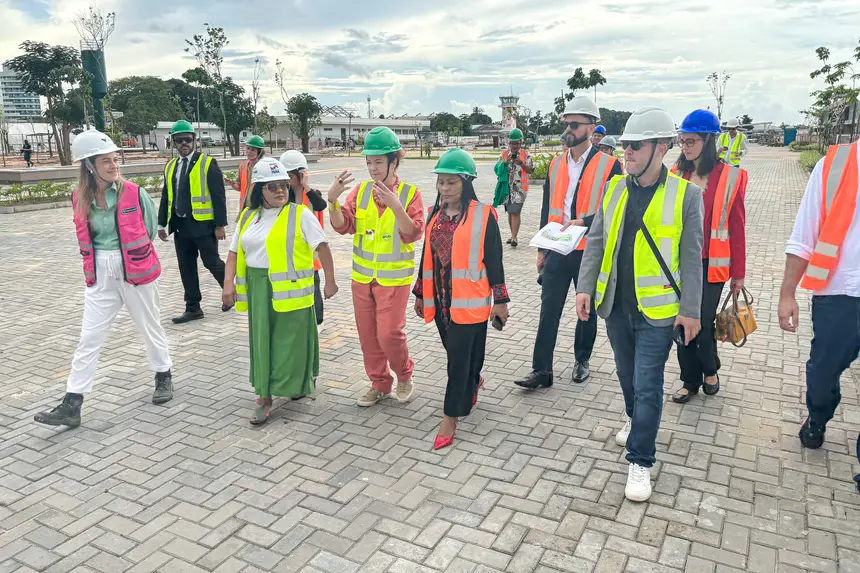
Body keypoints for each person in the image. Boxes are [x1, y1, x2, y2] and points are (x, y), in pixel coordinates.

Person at [575, 106, 704, 502]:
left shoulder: (687, 196)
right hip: (615, 307)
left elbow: (692, 257)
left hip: (660, 312)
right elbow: (596, 242)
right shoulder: (614, 189)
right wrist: (584, 287)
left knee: (649, 385)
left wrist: (692, 311)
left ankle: (641, 460)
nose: (625, 152)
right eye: (625, 145)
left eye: (635, 145)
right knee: (627, 376)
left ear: (660, 148)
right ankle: (636, 422)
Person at [34, 131, 173, 428]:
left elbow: (149, 229)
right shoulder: (79, 197)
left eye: (115, 159)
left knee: (150, 326)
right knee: (89, 337)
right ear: (88, 166)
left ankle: (163, 375)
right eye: (105, 161)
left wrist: (129, 255)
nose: (114, 165)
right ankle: (73, 403)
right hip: (99, 271)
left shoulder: (135, 192)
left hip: (135, 268)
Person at [515, 96, 622, 390]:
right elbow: (548, 205)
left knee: (584, 310)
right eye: (566, 124)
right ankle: (541, 370)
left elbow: (613, 209)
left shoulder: (610, 166)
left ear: (591, 128)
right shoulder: (556, 164)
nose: (569, 130)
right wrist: (541, 248)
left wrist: (585, 222)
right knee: (548, 309)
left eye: (574, 124)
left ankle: (582, 360)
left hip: (588, 250)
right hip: (558, 248)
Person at [222, 158, 337, 425]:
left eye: (283, 185)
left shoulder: (301, 214)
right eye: (272, 186)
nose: (280, 191)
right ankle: (264, 396)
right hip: (259, 288)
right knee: (263, 342)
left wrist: (330, 281)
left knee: (292, 344)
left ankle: (295, 383)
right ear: (259, 189)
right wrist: (228, 285)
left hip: (293, 292)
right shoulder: (248, 216)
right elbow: (233, 253)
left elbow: (322, 247)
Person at [413, 149, 510, 450]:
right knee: (462, 355)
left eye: (451, 183)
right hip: (441, 298)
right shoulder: (434, 213)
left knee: (457, 360)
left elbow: (495, 260)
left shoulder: (484, 216)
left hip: (471, 299)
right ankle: (473, 382)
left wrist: (501, 300)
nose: (445, 189)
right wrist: (419, 292)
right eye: (441, 182)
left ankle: (449, 417)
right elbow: (426, 256)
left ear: (466, 183)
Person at [328, 126, 425, 407]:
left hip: (393, 280)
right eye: (369, 162)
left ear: (394, 161)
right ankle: (380, 383)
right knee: (369, 337)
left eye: (379, 161)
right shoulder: (359, 192)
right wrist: (332, 200)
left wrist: (396, 206)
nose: (373, 168)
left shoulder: (409, 194)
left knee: (389, 333)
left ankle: (404, 375)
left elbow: (413, 233)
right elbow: (342, 225)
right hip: (362, 279)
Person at [778, 138, 860, 450]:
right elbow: (804, 236)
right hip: (840, 294)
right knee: (823, 374)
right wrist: (788, 294)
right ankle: (818, 416)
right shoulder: (834, 165)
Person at [670, 110, 747, 403]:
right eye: (682, 140)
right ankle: (690, 380)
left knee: (700, 321)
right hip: (680, 263)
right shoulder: (678, 174)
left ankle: (710, 370)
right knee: (681, 321)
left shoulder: (728, 177)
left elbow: (738, 228)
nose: (685, 146)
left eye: (691, 141)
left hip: (712, 265)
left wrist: (738, 274)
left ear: (708, 140)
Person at [157, 120, 229, 323]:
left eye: (187, 140)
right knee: (186, 267)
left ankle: (233, 292)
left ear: (194, 140)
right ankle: (193, 307)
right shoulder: (171, 166)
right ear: (174, 142)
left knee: (212, 263)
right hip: (181, 227)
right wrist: (162, 224)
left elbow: (218, 195)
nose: (184, 144)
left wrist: (220, 225)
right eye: (179, 140)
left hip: (203, 226)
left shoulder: (207, 163)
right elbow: (166, 196)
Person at [281, 149, 328, 326]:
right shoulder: (284, 196)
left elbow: (321, 205)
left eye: (290, 176)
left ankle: (317, 321)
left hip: (310, 254)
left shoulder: (313, 194)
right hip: (290, 252)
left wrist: (305, 186)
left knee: (313, 286)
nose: (287, 181)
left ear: (301, 175)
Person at [499, 128, 534, 246]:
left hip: (519, 189)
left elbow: (531, 170)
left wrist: (521, 163)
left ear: (521, 142)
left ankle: (514, 238)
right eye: (512, 143)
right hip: (506, 189)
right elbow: (498, 170)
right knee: (510, 212)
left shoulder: (526, 154)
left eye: (516, 143)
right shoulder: (504, 154)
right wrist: (504, 163)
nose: (514, 146)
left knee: (515, 212)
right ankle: (512, 234)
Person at [227, 135, 265, 212]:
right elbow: (240, 187)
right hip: (245, 209)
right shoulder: (243, 166)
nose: (249, 152)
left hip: (260, 208)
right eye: (248, 148)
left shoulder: (264, 167)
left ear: (259, 151)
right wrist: (232, 183)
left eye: (253, 149)